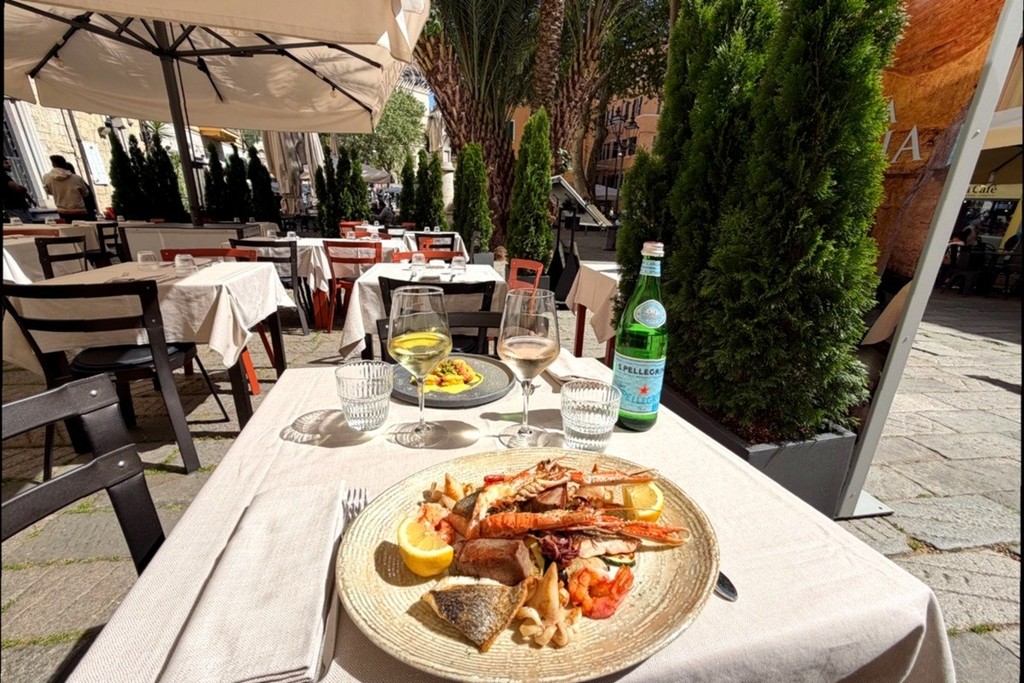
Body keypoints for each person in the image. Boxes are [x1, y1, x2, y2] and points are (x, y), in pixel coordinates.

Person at [42, 155, 90, 223]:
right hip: (79, 210)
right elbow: (85, 193)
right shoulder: (76, 178)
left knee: (68, 228)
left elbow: (49, 192)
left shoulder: (47, 178)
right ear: (65, 164)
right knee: (84, 228)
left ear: (53, 165)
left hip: (63, 210)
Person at [3, 157, 35, 223]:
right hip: (15, 207)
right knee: (25, 224)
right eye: (6, 163)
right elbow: (18, 188)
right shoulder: (4, 177)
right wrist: (23, 189)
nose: (9, 165)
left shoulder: (6, 176)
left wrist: (28, 197)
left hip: (18, 206)